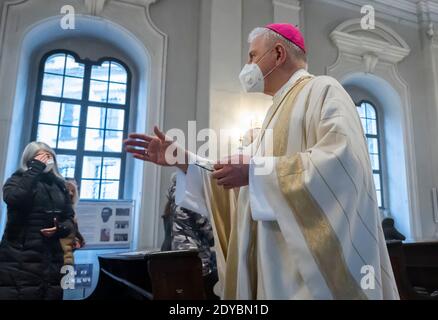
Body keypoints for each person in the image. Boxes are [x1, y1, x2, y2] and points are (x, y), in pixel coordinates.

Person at [125, 23, 399, 300]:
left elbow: (343, 163)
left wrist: (256, 173)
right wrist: (183, 160)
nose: (248, 64)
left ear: (278, 54)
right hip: (269, 266)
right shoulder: (273, 114)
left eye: (253, 56)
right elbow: (241, 184)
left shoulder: (324, 90)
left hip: (303, 275)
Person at [0, 142, 75, 300]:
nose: (45, 161)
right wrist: (34, 170)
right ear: (30, 159)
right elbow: (14, 199)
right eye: (40, 157)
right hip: (19, 259)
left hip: (52, 258)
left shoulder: (59, 185)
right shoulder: (16, 180)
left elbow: (69, 218)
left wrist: (59, 228)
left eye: (48, 157)